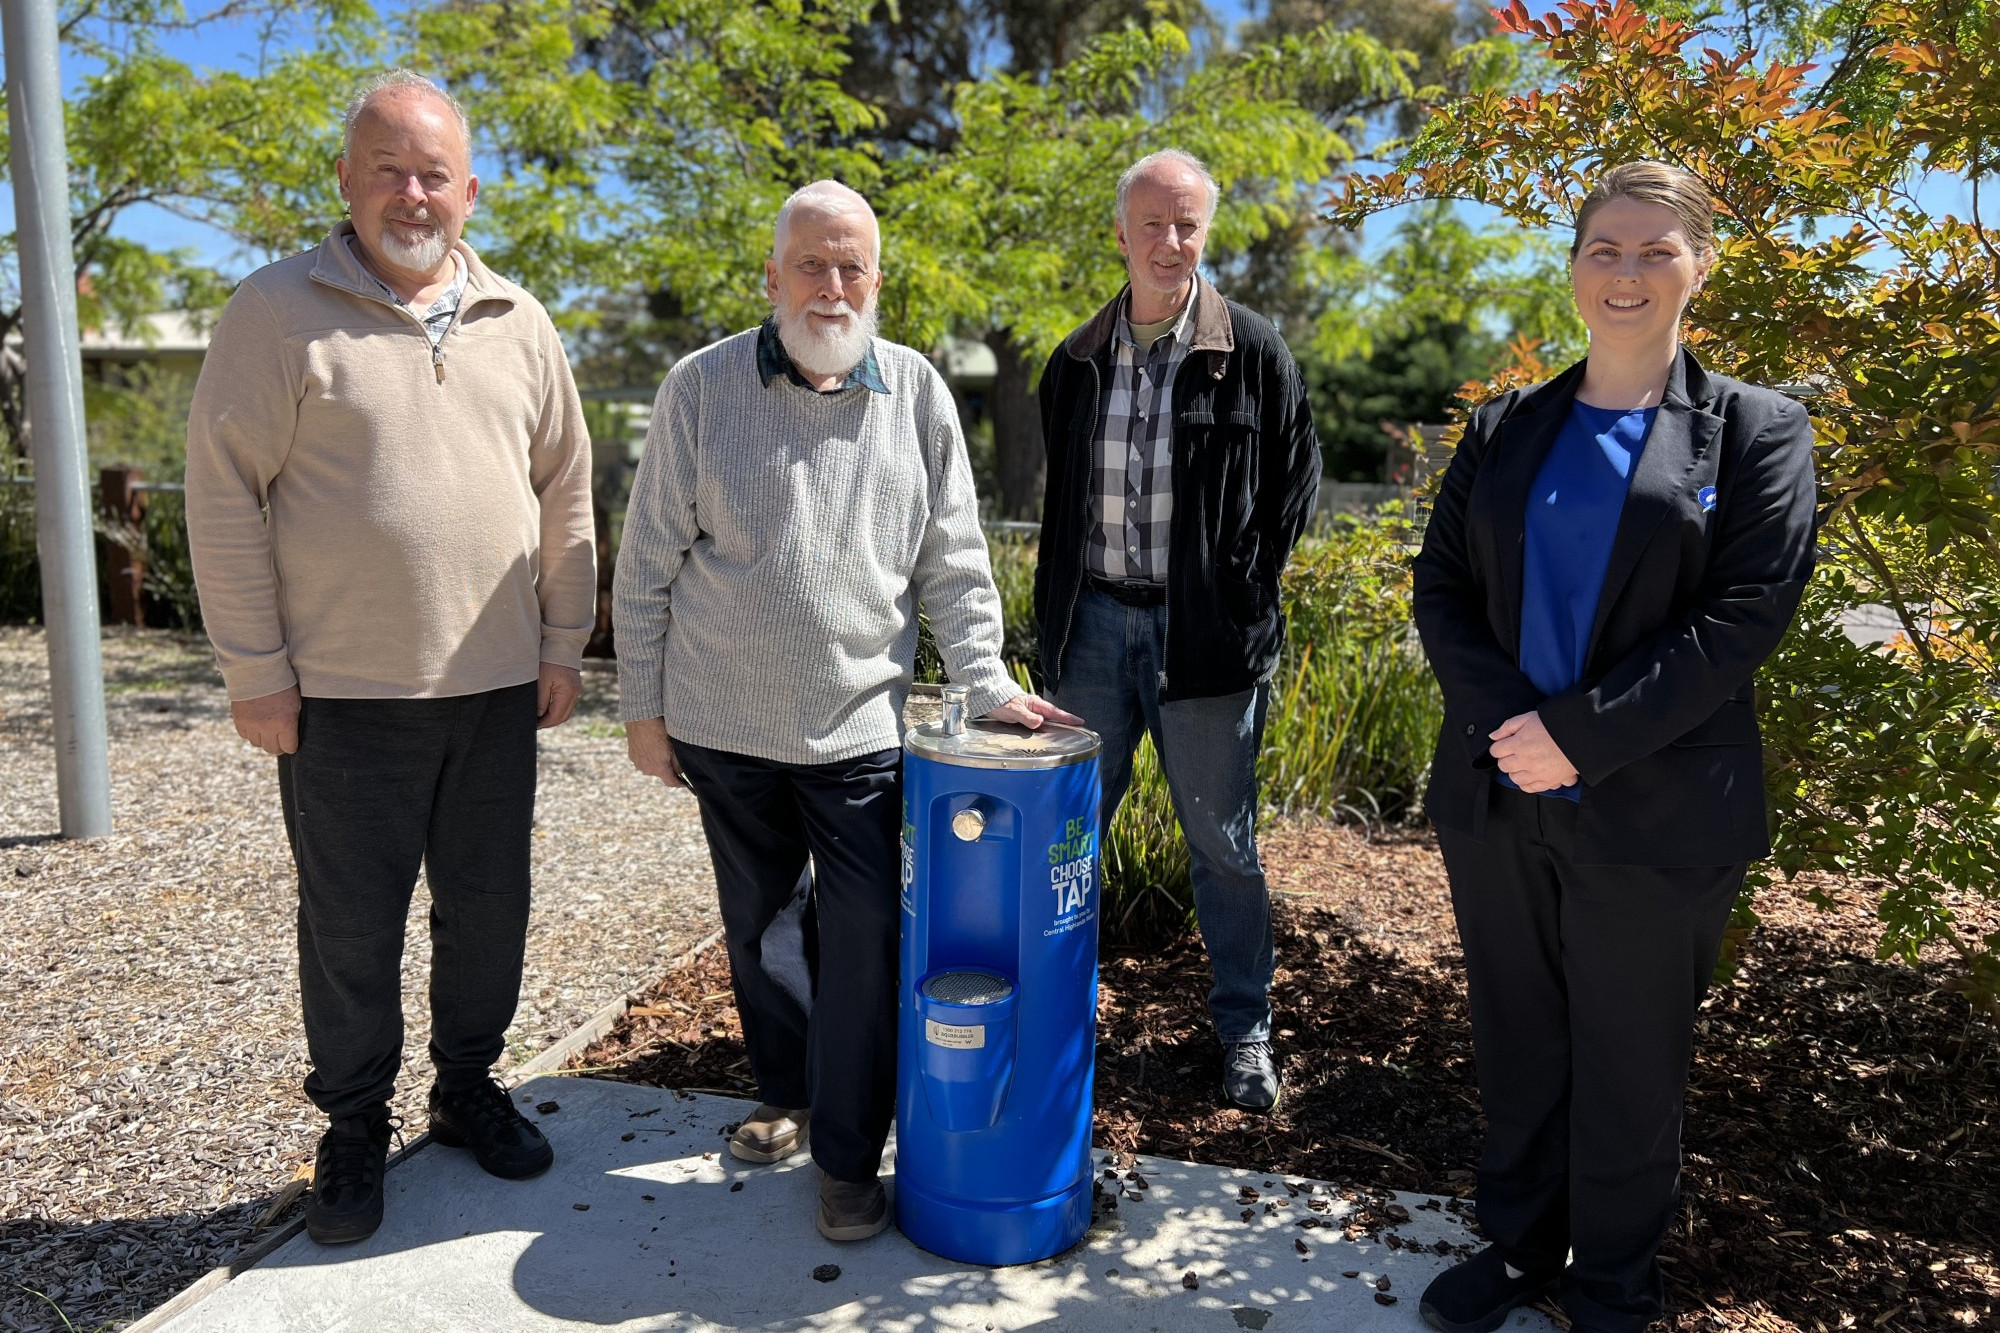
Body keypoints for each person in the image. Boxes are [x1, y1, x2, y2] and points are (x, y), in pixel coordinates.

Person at [612, 180, 1077, 1242]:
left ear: (876, 280)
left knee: (864, 938)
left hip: (860, 729)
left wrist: (986, 682)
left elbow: (953, 561)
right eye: (811, 264)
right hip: (724, 723)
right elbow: (643, 566)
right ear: (771, 276)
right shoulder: (700, 388)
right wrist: (644, 708)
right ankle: (786, 1090)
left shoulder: (914, 394)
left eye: (851, 266)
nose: (831, 285)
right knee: (765, 926)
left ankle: (848, 1154)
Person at [184, 71, 596, 1246]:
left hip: (496, 689)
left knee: (487, 909)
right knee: (351, 926)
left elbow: (565, 489)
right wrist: (252, 667)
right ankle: (355, 1125)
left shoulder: (522, 320)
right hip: (340, 699)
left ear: (469, 191)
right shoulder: (275, 312)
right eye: (388, 170)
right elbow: (221, 494)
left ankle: (466, 1089)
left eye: (433, 175)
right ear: (345, 181)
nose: (411, 195)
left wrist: (562, 638)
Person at [1410, 161, 1818, 1333]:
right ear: (1573, 264)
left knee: (1632, 1058)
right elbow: (1442, 592)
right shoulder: (1504, 427)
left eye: (1654, 251)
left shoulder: (1756, 429)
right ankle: (1521, 1245)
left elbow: (1744, 615)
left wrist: (1579, 737)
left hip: (1654, 807)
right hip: (1497, 793)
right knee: (1518, 1034)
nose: (1625, 273)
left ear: (1699, 266)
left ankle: (1611, 1283)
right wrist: (1515, 732)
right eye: (1604, 248)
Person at [1031, 149, 1321, 1111]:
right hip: (1094, 634)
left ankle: (1245, 1030)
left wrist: (1236, 590)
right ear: (1120, 233)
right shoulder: (1072, 363)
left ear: (1208, 231)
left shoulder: (1256, 353)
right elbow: (1061, 507)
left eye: (1187, 223)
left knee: (1224, 846)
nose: (1170, 241)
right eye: (1152, 223)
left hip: (1204, 641)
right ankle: (1046, 1014)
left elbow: (1293, 490)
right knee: (1063, 838)